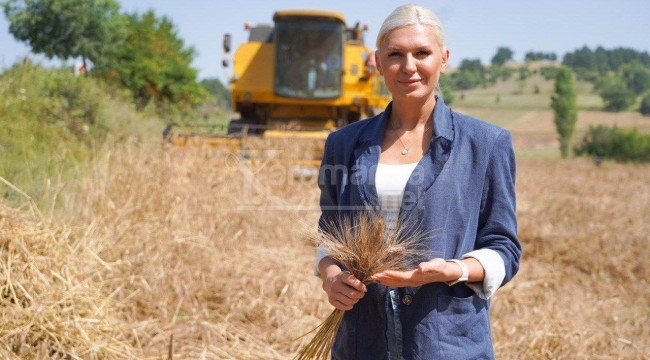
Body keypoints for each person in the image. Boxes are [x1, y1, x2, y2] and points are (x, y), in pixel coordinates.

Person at [315, 4, 521, 359]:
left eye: (421, 53)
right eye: (395, 54)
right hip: (362, 342)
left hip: (445, 343)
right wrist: (332, 276)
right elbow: (329, 236)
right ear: (378, 62)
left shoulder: (486, 144)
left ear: (443, 58)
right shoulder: (343, 144)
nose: (408, 66)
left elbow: (504, 248)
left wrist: (452, 270)